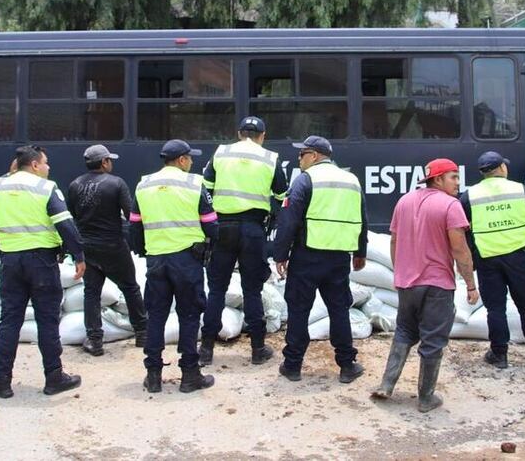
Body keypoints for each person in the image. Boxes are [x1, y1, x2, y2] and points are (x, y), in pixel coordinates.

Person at [0, 146, 86, 399]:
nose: (48, 167)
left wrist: (9, 174)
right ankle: (54, 377)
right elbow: (65, 224)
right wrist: (78, 255)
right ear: (35, 165)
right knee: (47, 320)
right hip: (42, 263)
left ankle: (2, 380)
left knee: (10, 321)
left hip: (10, 263)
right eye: (46, 163)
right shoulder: (46, 188)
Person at [372, 158, 476, 413]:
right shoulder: (451, 206)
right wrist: (471, 285)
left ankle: (387, 384)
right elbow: (459, 248)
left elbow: (394, 241)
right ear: (438, 179)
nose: (457, 183)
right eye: (453, 177)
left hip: (407, 282)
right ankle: (426, 397)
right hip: (437, 284)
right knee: (433, 340)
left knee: (404, 331)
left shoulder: (404, 201)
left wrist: (399, 273)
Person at [273, 135, 368, 384]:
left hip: (308, 256)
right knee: (339, 310)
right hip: (338, 259)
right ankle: (347, 365)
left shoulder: (305, 180)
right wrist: (360, 252)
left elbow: (288, 220)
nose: (299, 159)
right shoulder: (352, 181)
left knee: (298, 310)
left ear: (314, 156)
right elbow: (362, 218)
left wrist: (280, 254)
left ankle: (292, 366)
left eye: (301, 154)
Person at [199, 116, 289, 367]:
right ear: (262, 136)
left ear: (239, 133)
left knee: (217, 289)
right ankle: (258, 348)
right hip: (253, 230)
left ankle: (206, 348)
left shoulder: (221, 153)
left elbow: (206, 187)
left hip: (222, 228)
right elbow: (283, 196)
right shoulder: (269, 158)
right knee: (252, 289)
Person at [131, 139, 219, 393]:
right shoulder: (194, 184)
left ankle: (154, 375)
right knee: (189, 316)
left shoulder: (144, 184)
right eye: (189, 158)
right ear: (181, 160)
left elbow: (135, 224)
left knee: (156, 316)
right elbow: (211, 223)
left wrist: (146, 249)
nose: (192, 162)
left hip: (157, 260)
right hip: (187, 260)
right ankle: (190, 375)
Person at [460, 151, 525, 370]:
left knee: (495, 308)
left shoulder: (469, 196)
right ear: (502, 168)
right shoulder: (522, 190)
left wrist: (472, 256)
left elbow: (463, 230)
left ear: (483, 173)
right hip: (518, 257)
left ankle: (499, 354)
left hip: (487, 258)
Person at [67, 144, 147, 357]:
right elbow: (130, 214)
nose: (111, 163)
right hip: (113, 246)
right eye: (109, 160)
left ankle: (94, 340)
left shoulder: (74, 185)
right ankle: (142, 333)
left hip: (88, 248)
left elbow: (72, 217)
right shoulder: (116, 183)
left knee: (91, 293)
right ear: (104, 162)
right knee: (130, 287)